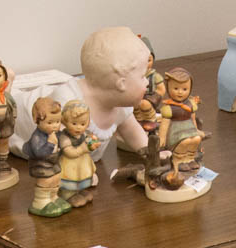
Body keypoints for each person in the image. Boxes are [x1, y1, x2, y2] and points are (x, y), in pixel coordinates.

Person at [10, 26, 150, 161]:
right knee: (8, 109)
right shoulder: (68, 101)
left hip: (81, 161)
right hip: (30, 114)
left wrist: (150, 152)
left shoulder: (120, 106)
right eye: (143, 76)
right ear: (121, 83)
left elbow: (132, 131)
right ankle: (7, 89)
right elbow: (56, 144)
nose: (147, 82)